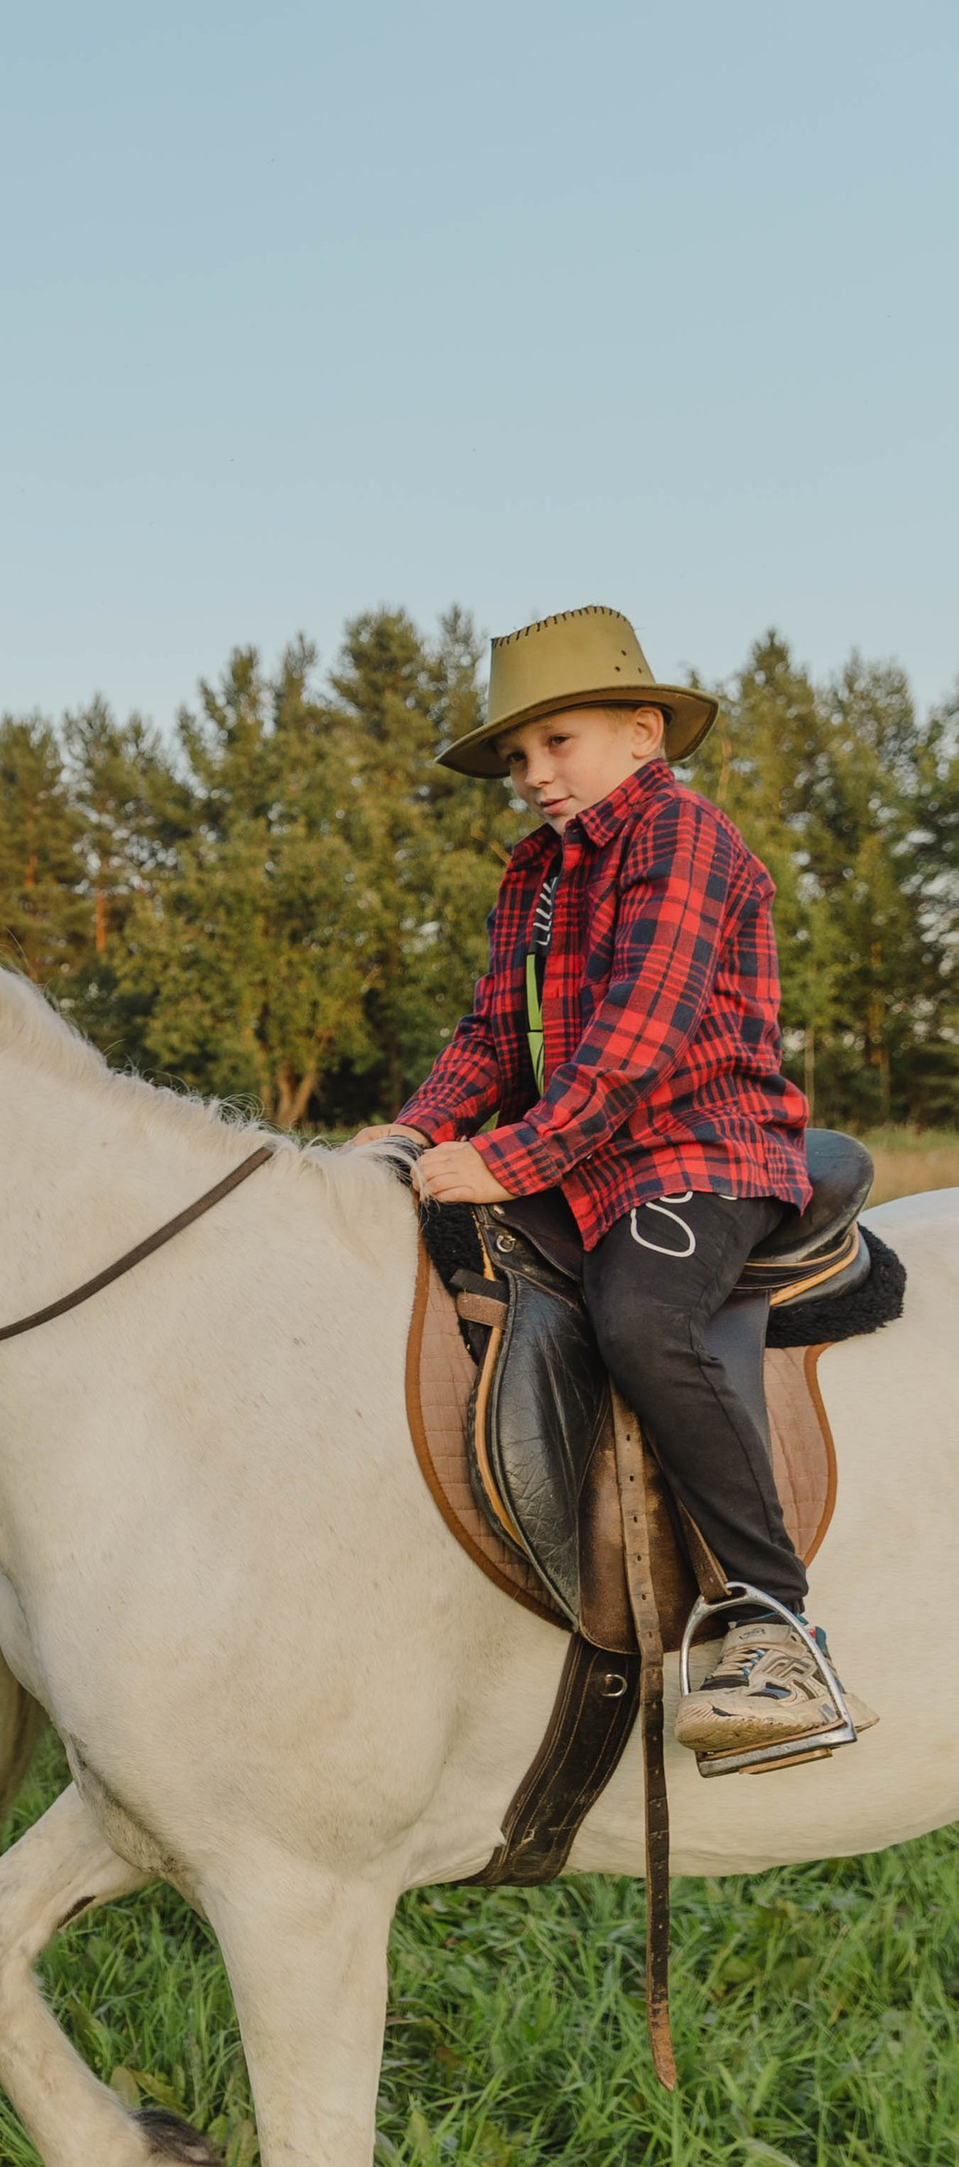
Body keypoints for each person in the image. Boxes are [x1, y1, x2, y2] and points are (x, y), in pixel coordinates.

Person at [354, 606, 869, 1763]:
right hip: (583, 1154)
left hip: (694, 1150)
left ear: (644, 733)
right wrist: (407, 1134)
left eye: (558, 744)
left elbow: (636, 1043)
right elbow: (491, 1035)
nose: (533, 777)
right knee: (429, 1255)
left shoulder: (682, 839)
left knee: (643, 1316)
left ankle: (775, 1623)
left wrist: (503, 1158)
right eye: (515, 759)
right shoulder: (533, 872)